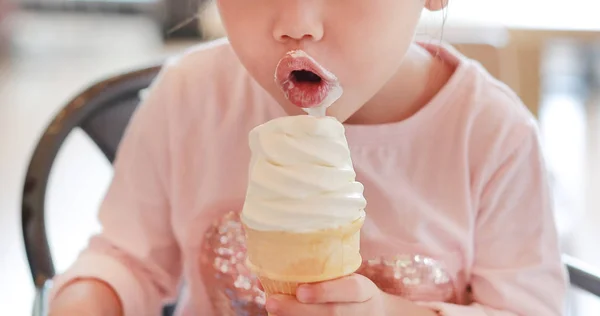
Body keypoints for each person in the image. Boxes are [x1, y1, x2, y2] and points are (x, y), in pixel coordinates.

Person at [47, 0, 568, 315]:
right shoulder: (190, 98)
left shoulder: (490, 136)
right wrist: (88, 298)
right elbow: (126, 260)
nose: (297, 23)